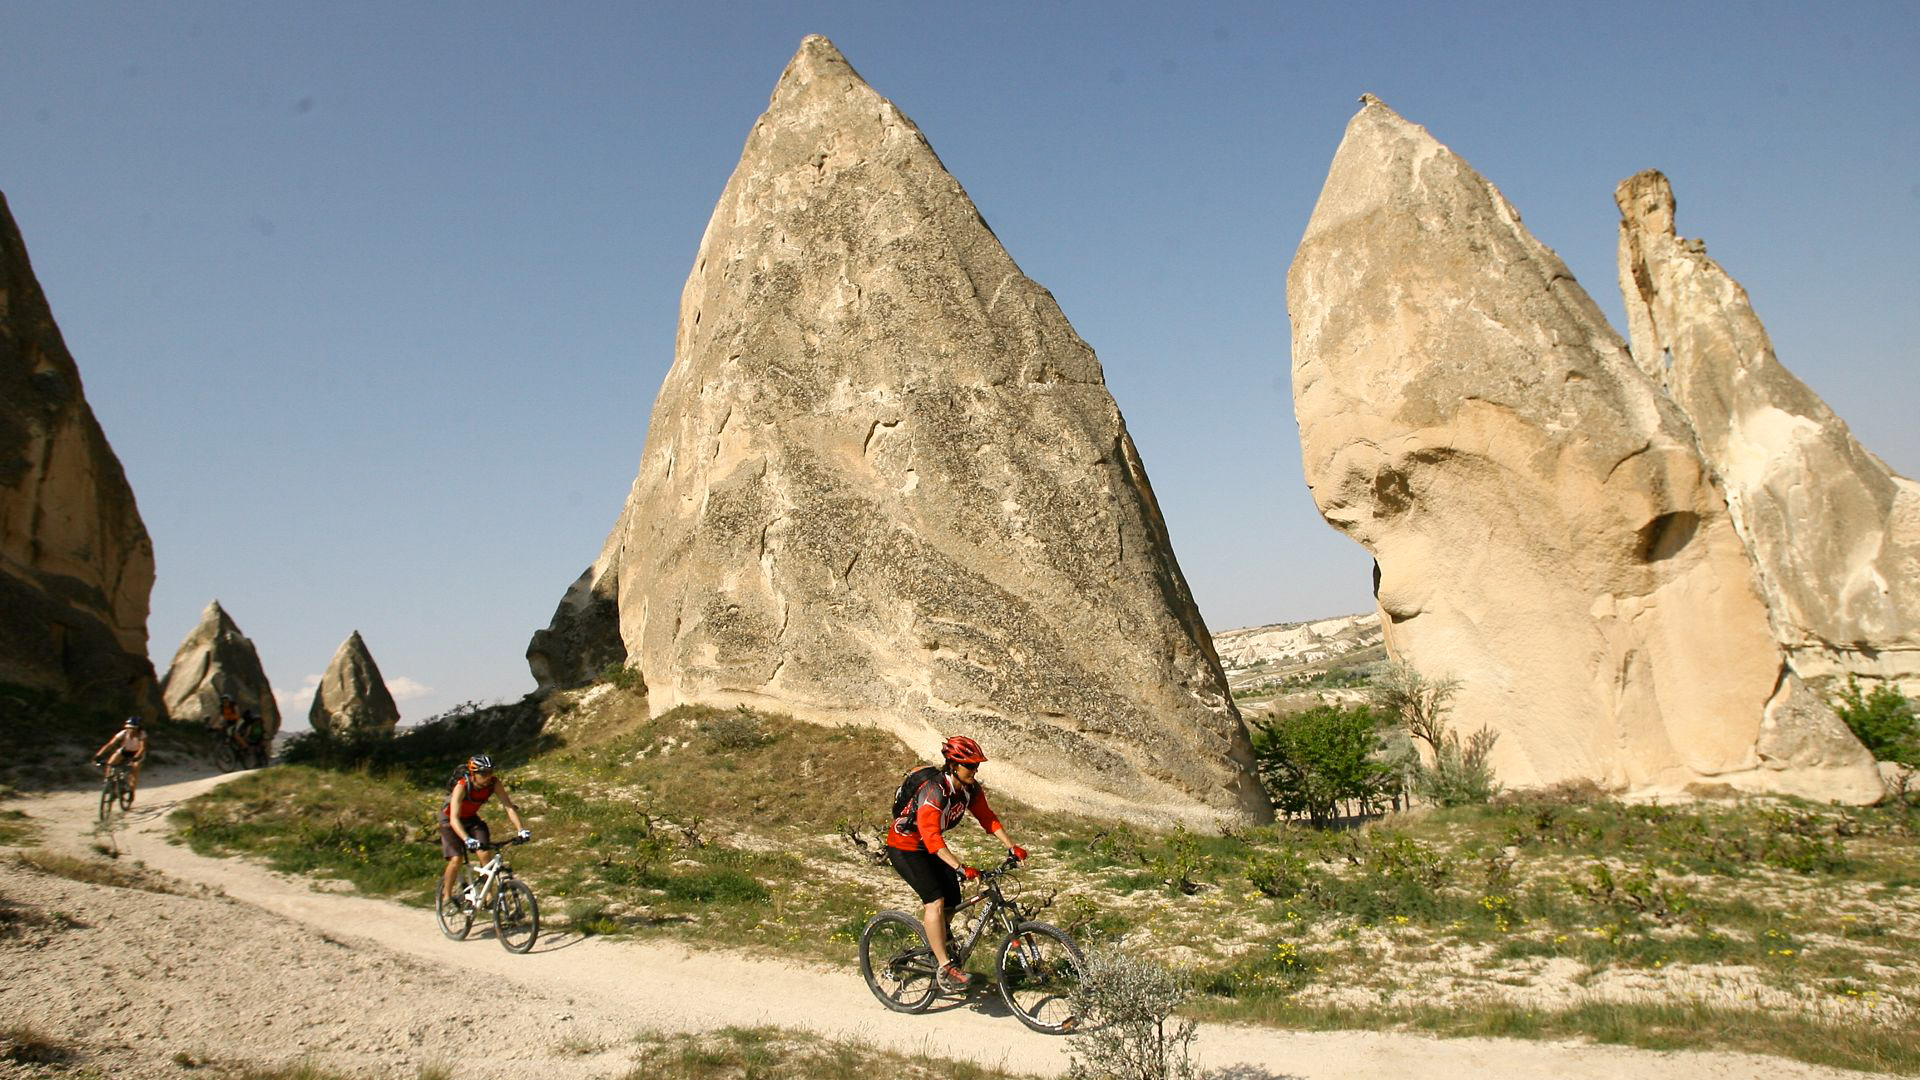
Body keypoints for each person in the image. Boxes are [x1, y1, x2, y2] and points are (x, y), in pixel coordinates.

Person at [884, 735, 1027, 989]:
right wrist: (961, 867)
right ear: (953, 765)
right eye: (970, 766)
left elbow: (987, 818)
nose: (975, 770)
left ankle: (937, 943)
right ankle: (945, 967)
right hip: (906, 847)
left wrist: (1011, 846)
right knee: (935, 900)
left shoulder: (970, 790)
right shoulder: (934, 792)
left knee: (953, 900)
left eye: (977, 766)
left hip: (930, 847)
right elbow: (932, 839)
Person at [437, 754, 530, 908]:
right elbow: (454, 818)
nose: (488, 776)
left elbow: (508, 806)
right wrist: (467, 839)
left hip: (471, 819)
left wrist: (521, 829)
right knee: (456, 859)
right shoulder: (462, 785)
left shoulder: (494, 783)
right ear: (473, 774)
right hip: (449, 821)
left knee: (485, 853)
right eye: (483, 773)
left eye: (490, 772)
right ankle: (447, 897)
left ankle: (488, 896)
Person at [92, 717, 151, 805]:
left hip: (137, 752)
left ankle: (131, 791)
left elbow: (142, 748)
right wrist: (98, 755)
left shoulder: (142, 734)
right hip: (125, 751)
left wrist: (135, 758)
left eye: (133, 728)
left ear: (138, 728)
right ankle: (108, 783)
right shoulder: (123, 733)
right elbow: (110, 744)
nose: (131, 730)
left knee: (135, 768)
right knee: (110, 763)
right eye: (129, 728)